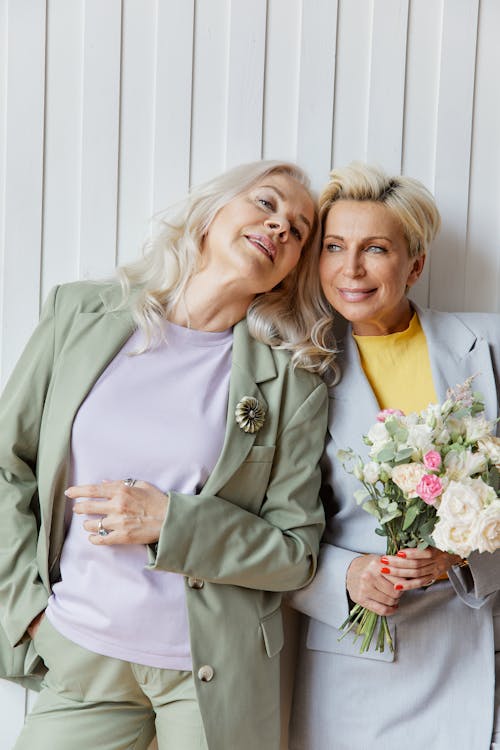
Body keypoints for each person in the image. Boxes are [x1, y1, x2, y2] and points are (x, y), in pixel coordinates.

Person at [0, 160, 335, 750]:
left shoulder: (292, 387)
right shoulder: (80, 314)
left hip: (212, 674)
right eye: (266, 204)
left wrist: (171, 523)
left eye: (300, 230)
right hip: (81, 653)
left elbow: (295, 553)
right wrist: (28, 612)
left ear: (291, 270)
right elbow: (7, 465)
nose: (282, 226)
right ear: (210, 215)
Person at [289, 162, 500, 749]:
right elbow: (260, 526)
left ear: (415, 264)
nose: (351, 269)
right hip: (363, 667)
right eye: (334, 247)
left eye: (375, 248)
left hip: (483, 649)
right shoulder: (294, 370)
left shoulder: (489, 345)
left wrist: (462, 560)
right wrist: (345, 576)